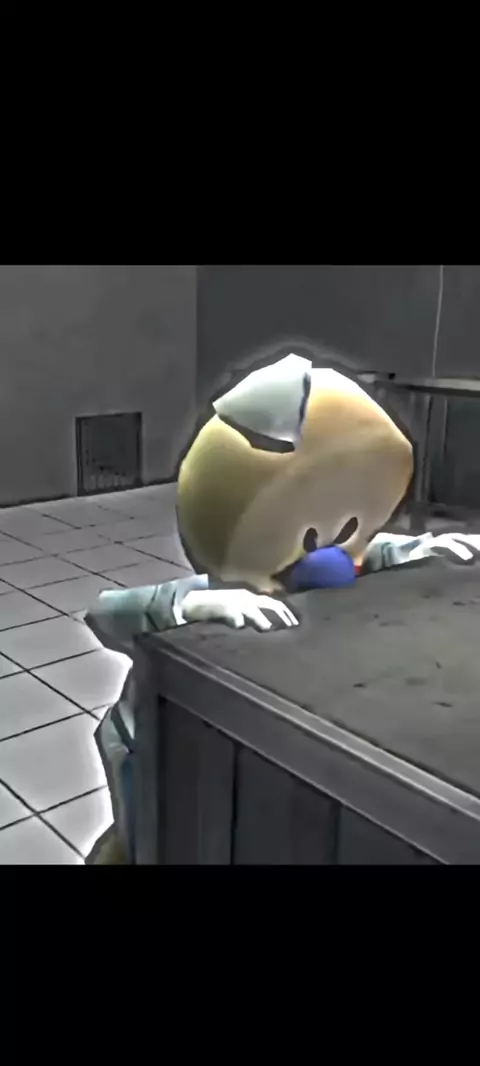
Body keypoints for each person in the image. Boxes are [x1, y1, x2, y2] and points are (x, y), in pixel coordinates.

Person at [85, 353, 479, 864]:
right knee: (151, 832)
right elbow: (106, 612)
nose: (330, 555)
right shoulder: (225, 589)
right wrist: (192, 603)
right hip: (149, 739)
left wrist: (418, 549)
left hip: (249, 720)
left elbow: (369, 549)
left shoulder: (339, 559)